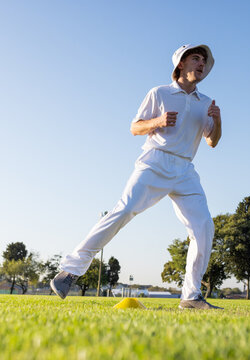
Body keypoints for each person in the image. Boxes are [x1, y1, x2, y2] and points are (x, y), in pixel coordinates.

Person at [50, 44, 223, 310]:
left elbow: (212, 142)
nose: (201, 64)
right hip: (155, 161)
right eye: (195, 59)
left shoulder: (207, 102)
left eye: (204, 61)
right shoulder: (160, 93)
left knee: (204, 228)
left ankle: (191, 296)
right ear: (181, 64)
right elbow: (135, 127)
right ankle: (70, 270)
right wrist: (158, 122)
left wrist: (218, 121)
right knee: (125, 210)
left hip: (186, 169)